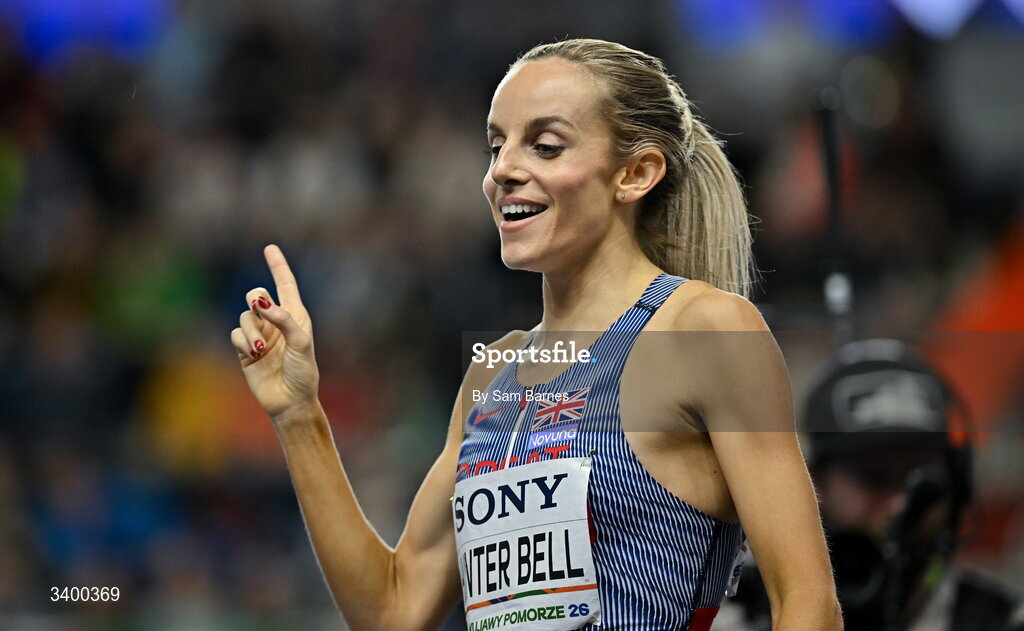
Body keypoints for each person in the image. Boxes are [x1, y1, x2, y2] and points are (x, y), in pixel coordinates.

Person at [229, 39, 841, 631]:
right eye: (496, 146)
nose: (503, 172)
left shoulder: (705, 330)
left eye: (545, 146)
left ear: (635, 172)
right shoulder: (491, 374)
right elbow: (394, 609)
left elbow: (808, 604)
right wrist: (299, 414)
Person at [718, 338, 1024, 631]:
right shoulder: (735, 617)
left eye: (922, 481)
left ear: (956, 484)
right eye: (875, 478)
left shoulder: (1003, 621)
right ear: (811, 484)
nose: (901, 502)